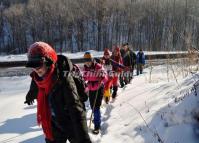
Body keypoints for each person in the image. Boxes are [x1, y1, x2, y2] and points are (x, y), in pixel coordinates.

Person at [24, 42, 91, 143]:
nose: (36, 69)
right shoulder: (38, 77)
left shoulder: (64, 80)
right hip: (53, 122)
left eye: (38, 65)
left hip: (70, 122)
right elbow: (35, 85)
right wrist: (30, 95)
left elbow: (76, 109)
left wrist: (83, 139)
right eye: (33, 66)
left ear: (48, 62)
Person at [83, 51, 107, 134]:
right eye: (86, 60)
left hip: (98, 89)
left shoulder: (98, 66)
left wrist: (102, 76)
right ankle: (96, 119)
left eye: (89, 60)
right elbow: (84, 78)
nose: (87, 62)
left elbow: (105, 78)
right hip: (91, 89)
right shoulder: (85, 68)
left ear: (92, 59)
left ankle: (97, 126)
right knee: (93, 107)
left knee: (96, 107)